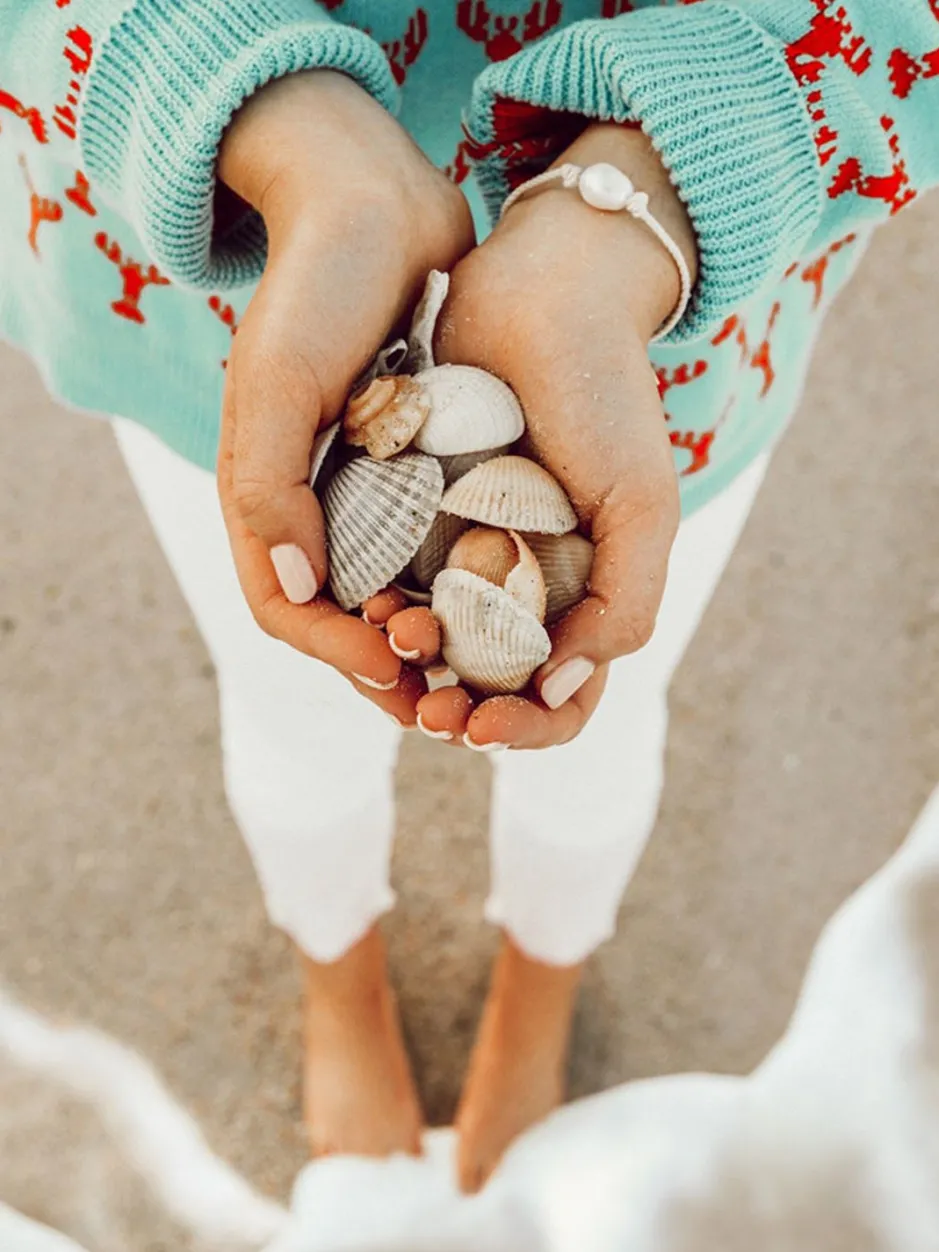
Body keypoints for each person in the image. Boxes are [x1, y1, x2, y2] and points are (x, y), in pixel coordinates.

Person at [1, 0, 936, 1193]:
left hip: (657, 320)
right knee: (294, 710)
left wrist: (648, 181)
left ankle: (540, 986)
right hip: (225, 270)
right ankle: (340, 974)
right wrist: (268, 111)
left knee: (592, 730)